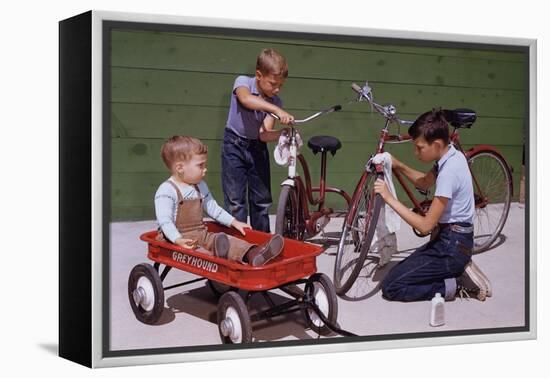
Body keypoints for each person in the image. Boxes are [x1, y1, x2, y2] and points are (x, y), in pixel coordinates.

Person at [374, 109, 491, 301]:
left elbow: (425, 226)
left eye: (419, 148)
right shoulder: (450, 154)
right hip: (450, 240)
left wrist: (389, 198)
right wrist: (398, 165)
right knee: (400, 273)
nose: (416, 152)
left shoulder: (449, 172)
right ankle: (456, 270)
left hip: (451, 247)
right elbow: (423, 182)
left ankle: (458, 283)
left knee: (392, 287)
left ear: (436, 144)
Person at [154, 136, 284, 266]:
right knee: (200, 254)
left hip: (200, 233)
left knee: (226, 239)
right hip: (175, 237)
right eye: (200, 165)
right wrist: (177, 239)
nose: (205, 169)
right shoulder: (167, 190)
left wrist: (234, 222)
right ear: (180, 168)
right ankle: (219, 258)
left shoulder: (199, 185)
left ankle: (254, 253)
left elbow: (213, 209)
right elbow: (165, 221)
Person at [221, 48, 295, 232]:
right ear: (259, 75)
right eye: (273, 84)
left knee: (261, 201)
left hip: (257, 148)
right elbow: (245, 100)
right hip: (234, 146)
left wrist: (282, 133)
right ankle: (237, 244)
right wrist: (276, 111)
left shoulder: (275, 101)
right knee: (235, 201)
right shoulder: (243, 83)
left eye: (281, 86)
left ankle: (262, 243)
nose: (277, 89)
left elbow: (264, 133)